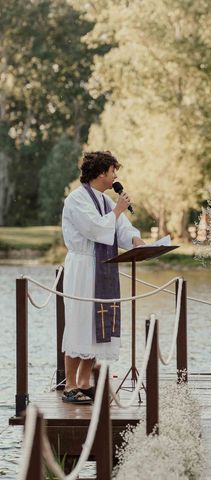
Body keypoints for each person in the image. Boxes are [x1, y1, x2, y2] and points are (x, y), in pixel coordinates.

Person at [61, 151, 144, 404]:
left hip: (104, 267)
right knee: (80, 321)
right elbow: (95, 229)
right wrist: (118, 209)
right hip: (84, 267)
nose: (116, 176)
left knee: (98, 326)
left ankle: (86, 381)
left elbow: (120, 229)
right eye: (112, 171)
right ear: (101, 173)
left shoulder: (107, 202)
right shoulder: (76, 199)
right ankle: (70, 385)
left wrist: (137, 241)